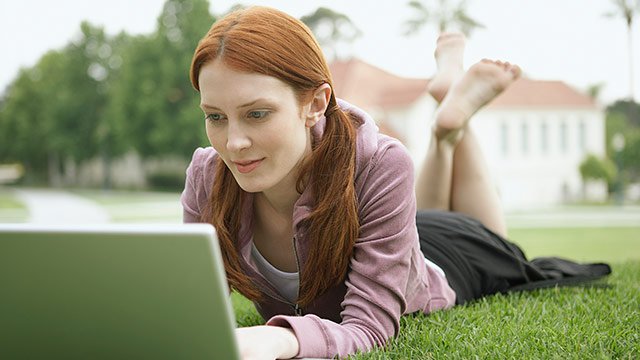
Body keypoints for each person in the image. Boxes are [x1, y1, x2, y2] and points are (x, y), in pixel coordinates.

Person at [181, 6, 611, 359]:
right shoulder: (207, 176)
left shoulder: (380, 162)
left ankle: (449, 127)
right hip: (395, 235)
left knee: (497, 241)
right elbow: (192, 308)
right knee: (423, 216)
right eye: (215, 116)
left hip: (446, 257)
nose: (233, 142)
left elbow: (369, 327)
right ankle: (447, 121)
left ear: (315, 103)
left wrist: (279, 338)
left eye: (257, 113)